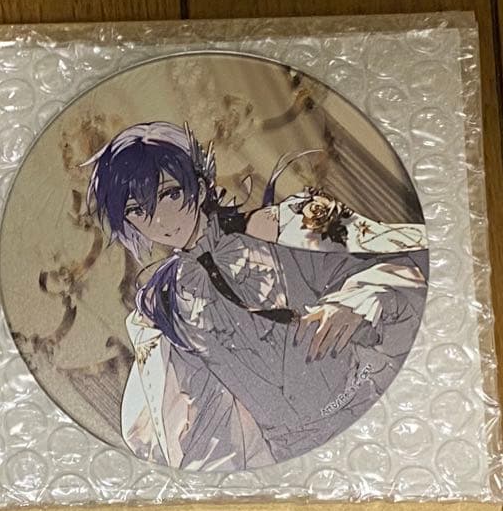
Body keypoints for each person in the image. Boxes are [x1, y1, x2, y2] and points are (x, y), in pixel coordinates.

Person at [87, 122, 428, 470]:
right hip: (291, 458)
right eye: (137, 211)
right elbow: (202, 421)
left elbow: (402, 265)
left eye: (171, 194)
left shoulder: (285, 227)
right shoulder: (163, 306)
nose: (160, 219)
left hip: (372, 406)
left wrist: (356, 301)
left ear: (199, 187)